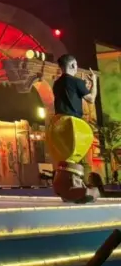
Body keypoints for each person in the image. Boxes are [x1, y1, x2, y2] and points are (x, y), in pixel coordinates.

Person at [49, 54, 99, 204]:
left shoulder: (56, 84)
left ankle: (68, 183)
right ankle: (70, 184)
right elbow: (91, 99)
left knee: (66, 156)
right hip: (72, 124)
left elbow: (69, 95)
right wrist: (94, 83)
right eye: (76, 65)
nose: (77, 67)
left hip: (58, 124)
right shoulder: (77, 81)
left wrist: (83, 87)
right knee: (73, 153)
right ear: (72, 65)